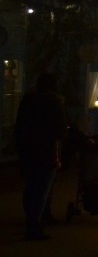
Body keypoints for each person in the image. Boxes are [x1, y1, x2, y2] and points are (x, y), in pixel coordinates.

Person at [15, 73, 68, 240]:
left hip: (28, 150)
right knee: (42, 188)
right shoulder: (54, 103)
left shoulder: (28, 100)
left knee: (31, 187)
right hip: (46, 150)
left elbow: (20, 125)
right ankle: (34, 226)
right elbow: (60, 129)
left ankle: (32, 220)